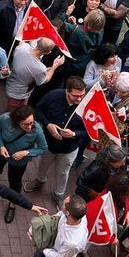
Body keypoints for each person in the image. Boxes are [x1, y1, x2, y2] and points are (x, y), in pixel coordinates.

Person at [24, 77, 87, 209]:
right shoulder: (53, 96)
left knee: (63, 172)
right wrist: (48, 125)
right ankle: (40, 180)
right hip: (49, 143)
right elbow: (38, 110)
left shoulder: (87, 106)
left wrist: (75, 134)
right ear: (67, 92)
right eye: (75, 96)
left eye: (82, 95)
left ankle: (59, 194)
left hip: (69, 148)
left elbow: (90, 131)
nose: (79, 99)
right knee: (43, 164)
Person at [16, 195, 89, 257]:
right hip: (51, 245)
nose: (61, 204)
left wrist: (42, 247)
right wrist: (46, 222)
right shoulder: (77, 215)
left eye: (63, 204)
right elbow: (59, 215)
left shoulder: (72, 242)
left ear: (68, 213)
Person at [0, 105, 48, 223]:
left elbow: (43, 148)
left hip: (18, 161)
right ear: (16, 121)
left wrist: (26, 152)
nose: (30, 126)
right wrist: (1, 146)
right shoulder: (5, 119)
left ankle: (13, 204)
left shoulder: (37, 131)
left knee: (15, 182)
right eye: (25, 124)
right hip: (1, 152)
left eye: (31, 122)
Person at [6, 38, 66, 112]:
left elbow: (31, 67)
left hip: (10, 83)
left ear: (37, 42)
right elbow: (44, 80)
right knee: (13, 113)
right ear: (48, 52)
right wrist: (54, 66)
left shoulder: (23, 47)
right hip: (18, 94)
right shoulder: (40, 68)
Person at [60, 10, 105, 80]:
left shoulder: (75, 30)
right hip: (83, 61)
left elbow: (59, 23)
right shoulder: (100, 32)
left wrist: (67, 13)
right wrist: (75, 25)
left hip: (69, 61)